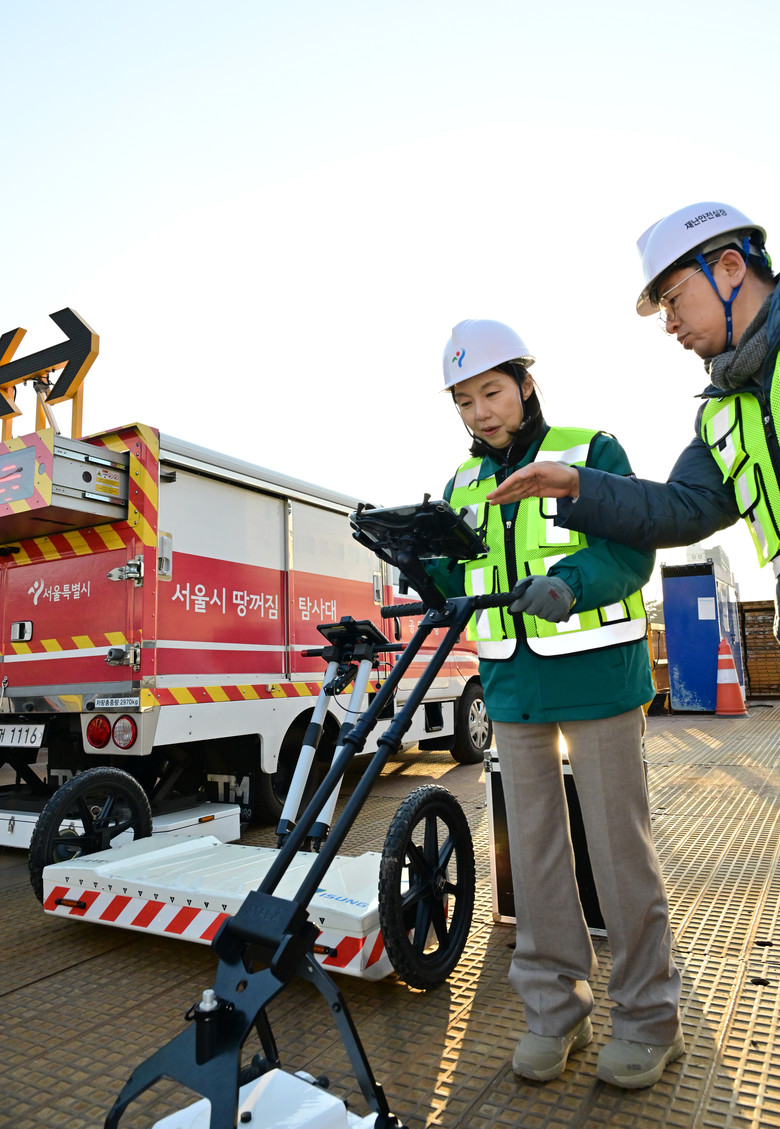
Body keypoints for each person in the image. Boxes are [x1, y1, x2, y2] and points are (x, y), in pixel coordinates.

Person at [431, 318, 683, 1088]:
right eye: (465, 400)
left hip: (598, 678)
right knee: (531, 857)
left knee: (617, 850)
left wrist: (571, 584)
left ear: (526, 384)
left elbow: (628, 548)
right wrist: (418, 560)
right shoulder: (462, 485)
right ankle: (552, 1012)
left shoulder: (589, 449)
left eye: (493, 392)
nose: (481, 412)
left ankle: (647, 1018)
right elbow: (456, 582)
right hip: (512, 685)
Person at [486, 202, 780, 642]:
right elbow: (684, 509)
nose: (670, 324)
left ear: (731, 267)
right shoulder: (724, 411)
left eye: (674, 299)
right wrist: (576, 485)